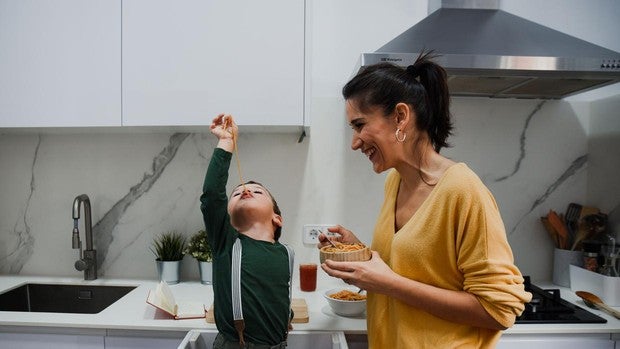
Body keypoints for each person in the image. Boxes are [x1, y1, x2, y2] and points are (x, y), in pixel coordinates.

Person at [318, 52, 532, 348]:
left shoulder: (462, 190)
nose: (355, 142)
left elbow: (500, 311)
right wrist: (358, 254)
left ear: (400, 117)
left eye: (360, 125)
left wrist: (386, 283)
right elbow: (415, 269)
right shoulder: (396, 182)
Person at [201, 114, 293, 349]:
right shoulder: (227, 243)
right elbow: (212, 195)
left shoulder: (286, 254)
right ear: (227, 216)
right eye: (237, 193)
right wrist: (227, 142)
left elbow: (276, 296)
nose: (246, 190)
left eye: (257, 191)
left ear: (277, 218)